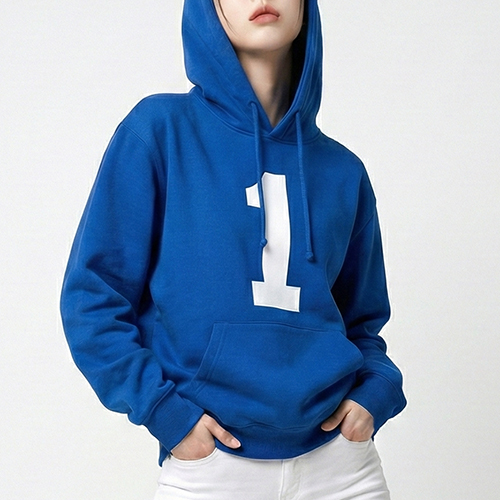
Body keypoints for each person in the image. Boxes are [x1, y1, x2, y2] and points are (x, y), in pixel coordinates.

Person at [60, 0, 406, 498]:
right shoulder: (160, 131)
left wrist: (376, 392)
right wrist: (164, 412)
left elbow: (363, 323)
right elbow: (93, 298)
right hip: (214, 466)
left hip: (342, 470)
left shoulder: (343, 170)